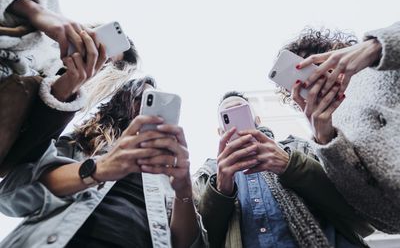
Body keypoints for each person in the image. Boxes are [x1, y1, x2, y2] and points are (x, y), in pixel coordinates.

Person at [0, 77, 207, 248]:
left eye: (153, 101)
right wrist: (99, 168)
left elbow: (189, 244)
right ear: (124, 103)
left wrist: (183, 192)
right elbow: (11, 195)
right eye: (142, 99)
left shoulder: (170, 171)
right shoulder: (83, 142)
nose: (147, 109)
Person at [0, 0, 139, 173]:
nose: (96, 59)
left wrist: (62, 92)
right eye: (100, 48)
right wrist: (33, 11)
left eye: (106, 64)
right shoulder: (46, 2)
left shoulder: (61, 105)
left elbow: (13, 165)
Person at [194, 91, 373, 248]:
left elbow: (355, 209)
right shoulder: (209, 173)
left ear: (257, 120)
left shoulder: (299, 148)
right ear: (220, 132)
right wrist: (221, 190)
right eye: (227, 116)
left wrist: (290, 165)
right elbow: (204, 239)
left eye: (241, 110)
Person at [279, 27, 400, 233]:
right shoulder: (329, 137)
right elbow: (389, 221)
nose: (314, 79)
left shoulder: (380, 62)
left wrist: (378, 46)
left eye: (315, 65)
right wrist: (326, 140)